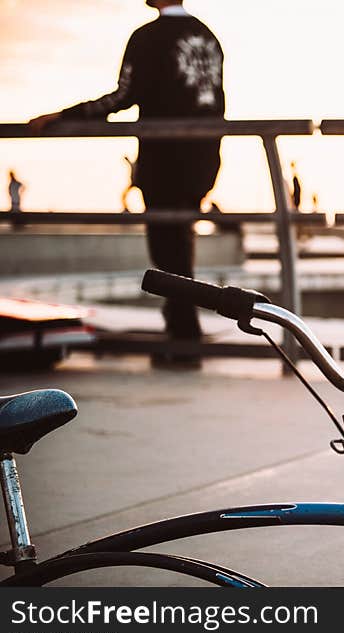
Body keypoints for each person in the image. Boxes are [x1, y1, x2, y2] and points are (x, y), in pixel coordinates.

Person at [29, 0, 225, 368]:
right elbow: (213, 101)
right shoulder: (208, 37)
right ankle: (184, 337)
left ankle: (184, 342)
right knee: (180, 247)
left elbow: (122, 97)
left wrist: (64, 115)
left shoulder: (147, 37)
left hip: (165, 161)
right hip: (203, 159)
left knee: (167, 255)